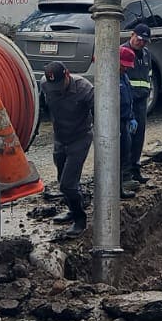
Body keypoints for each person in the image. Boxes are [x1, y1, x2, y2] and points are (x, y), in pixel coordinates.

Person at [38, 61, 95, 237]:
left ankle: (80, 220)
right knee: (62, 179)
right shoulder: (45, 84)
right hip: (60, 138)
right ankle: (72, 209)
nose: (56, 89)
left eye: (59, 84)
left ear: (67, 75)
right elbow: (41, 105)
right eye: (52, 85)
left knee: (68, 184)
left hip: (80, 137)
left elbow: (100, 112)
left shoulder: (84, 88)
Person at [123, 25, 154, 189]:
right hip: (128, 102)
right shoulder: (123, 53)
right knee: (126, 140)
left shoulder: (146, 54)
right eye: (139, 39)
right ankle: (125, 173)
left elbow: (148, 74)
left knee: (138, 137)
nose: (141, 43)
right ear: (132, 35)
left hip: (141, 102)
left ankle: (135, 169)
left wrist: (147, 92)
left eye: (144, 41)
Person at [117, 45, 141, 199]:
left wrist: (131, 117)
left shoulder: (123, 77)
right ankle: (116, 188)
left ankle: (121, 186)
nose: (125, 69)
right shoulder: (108, 77)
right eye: (123, 65)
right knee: (115, 157)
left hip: (125, 120)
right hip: (115, 122)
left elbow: (128, 98)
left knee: (124, 153)